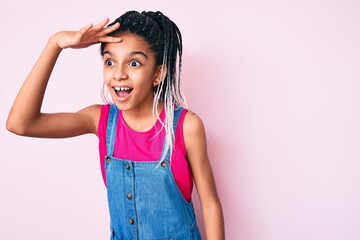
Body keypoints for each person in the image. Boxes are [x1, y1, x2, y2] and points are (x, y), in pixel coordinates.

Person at [7, 10, 224, 240]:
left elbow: (210, 205)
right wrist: (55, 43)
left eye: (134, 63)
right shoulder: (99, 120)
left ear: (158, 73)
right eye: (110, 61)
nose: (119, 74)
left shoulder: (185, 126)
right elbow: (20, 123)